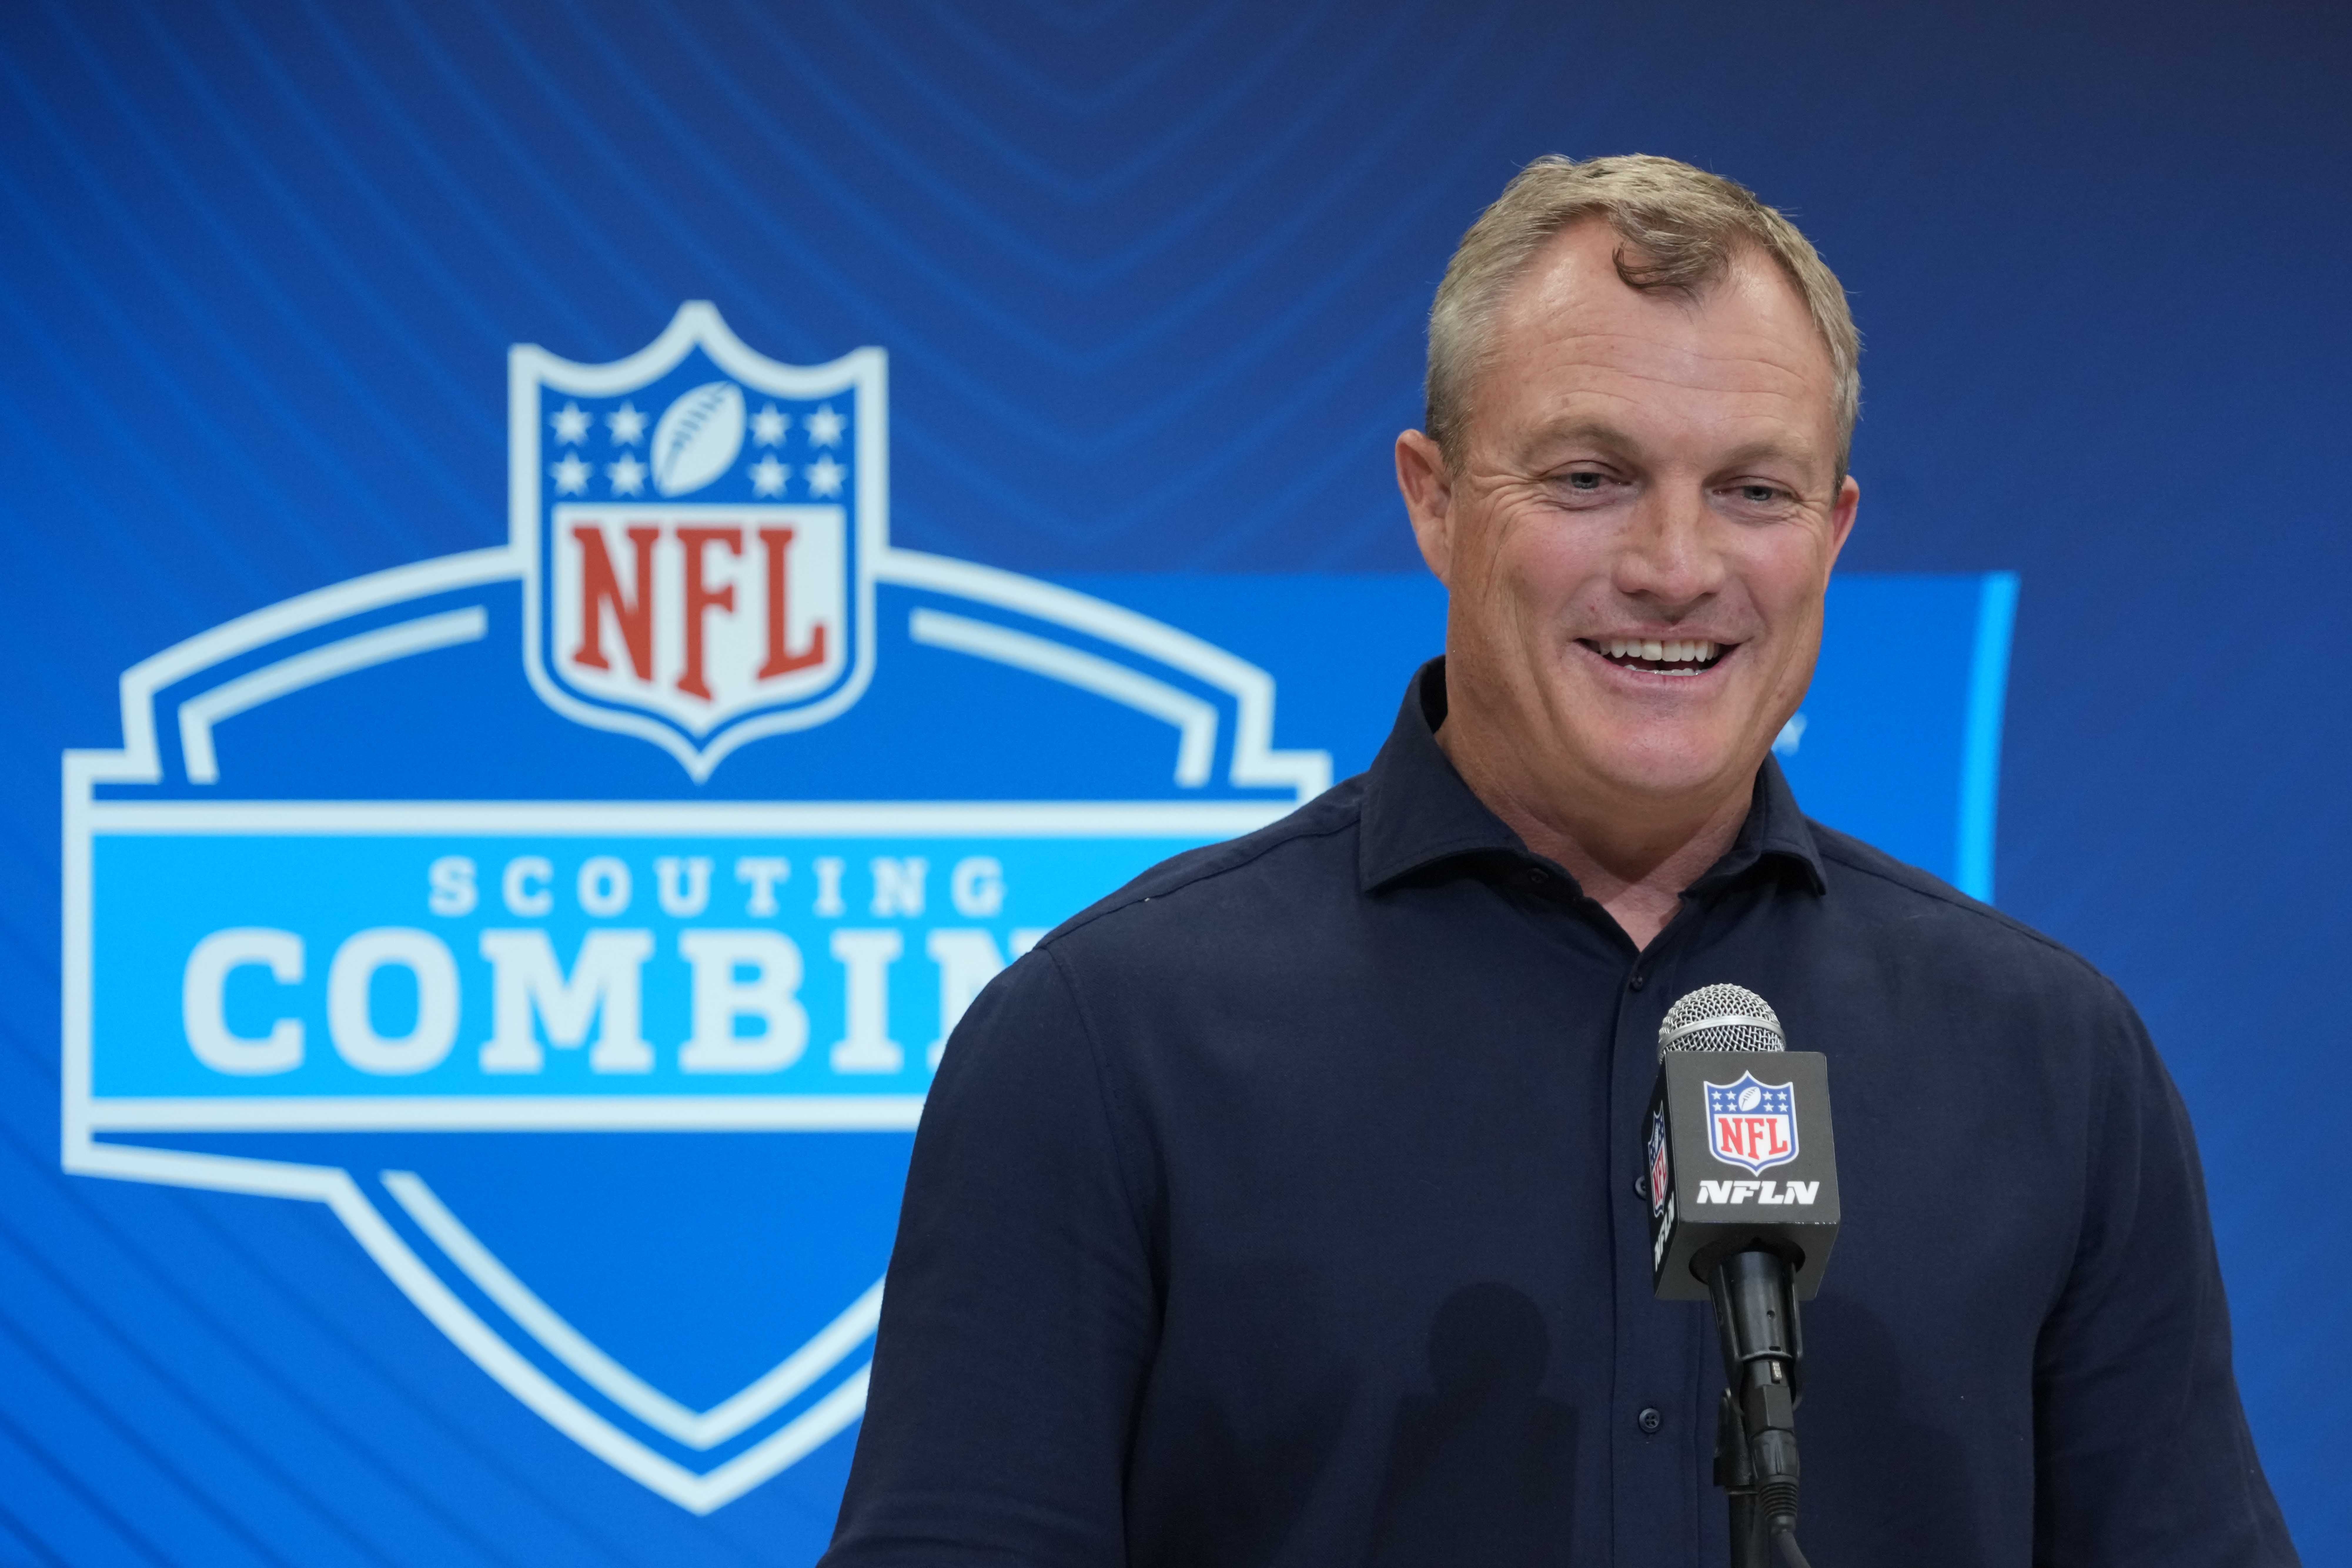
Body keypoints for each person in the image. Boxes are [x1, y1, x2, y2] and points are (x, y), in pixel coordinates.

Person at [821, 154, 2296, 1566]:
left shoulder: (2053, 1063)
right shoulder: (1103, 1044)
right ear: (1435, 499)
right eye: (1591, 476)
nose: (1674, 562)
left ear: (1836, 531)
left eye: (1755, 491)